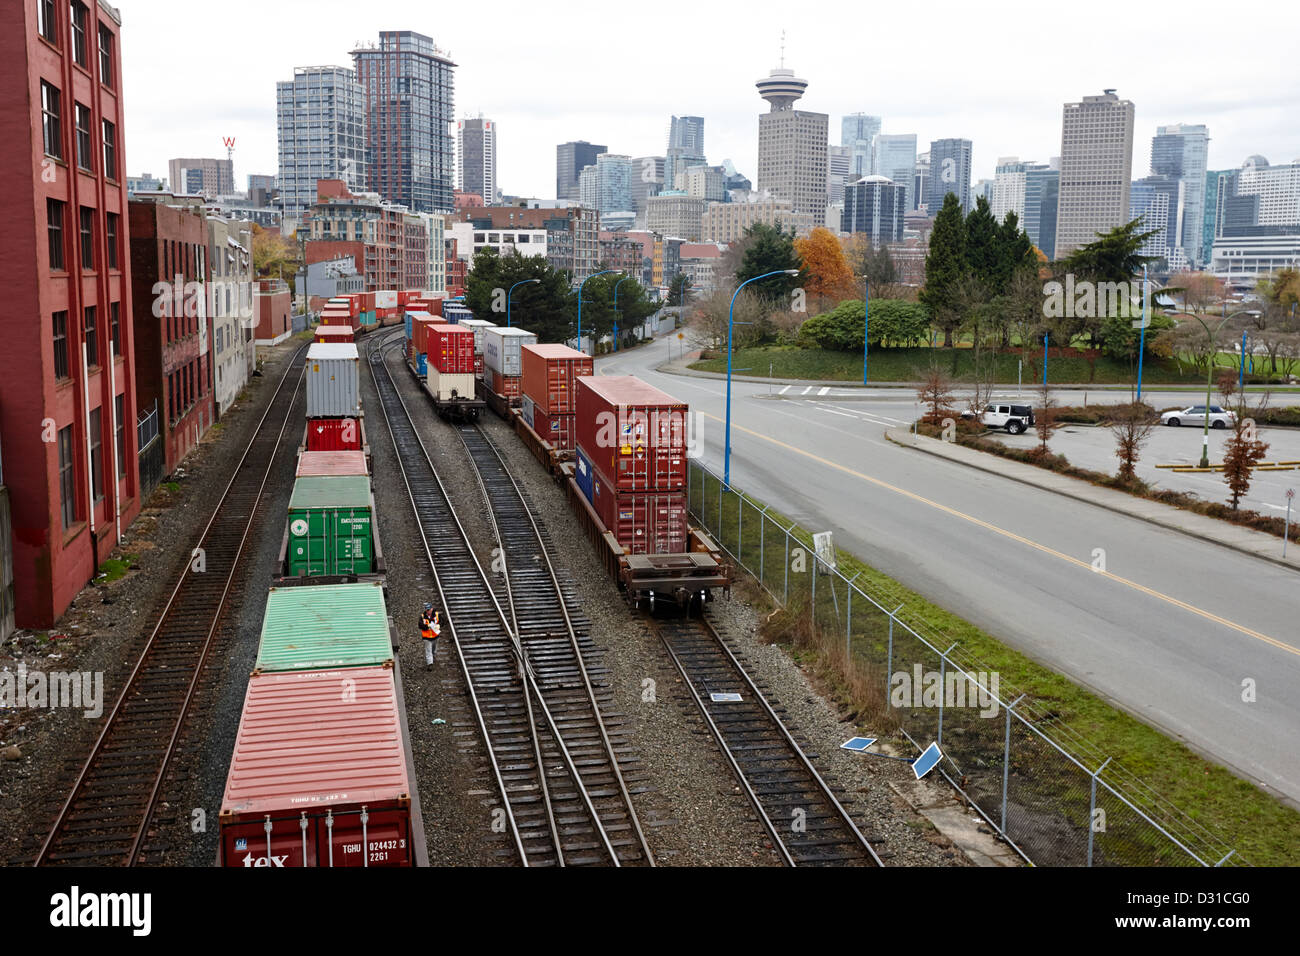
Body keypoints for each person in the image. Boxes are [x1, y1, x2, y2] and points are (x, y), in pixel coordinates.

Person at [419, 603, 441, 669]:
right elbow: (420, 625)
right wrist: (427, 626)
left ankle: (433, 656)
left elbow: (443, 621)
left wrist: (439, 625)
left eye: (429, 610)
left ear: (432, 609)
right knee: (428, 651)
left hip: (435, 636)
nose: (428, 611)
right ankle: (430, 664)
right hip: (427, 637)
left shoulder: (437, 615)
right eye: (427, 610)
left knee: (434, 650)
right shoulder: (422, 616)